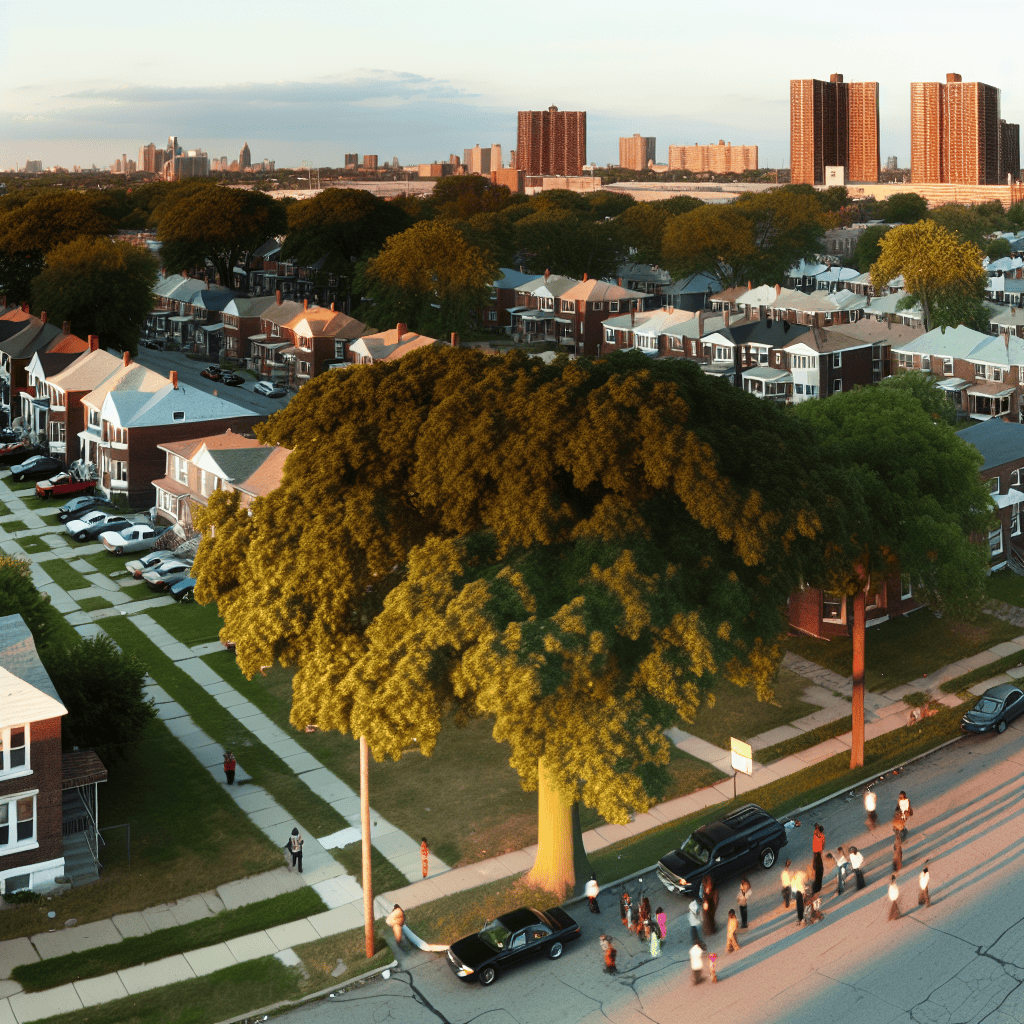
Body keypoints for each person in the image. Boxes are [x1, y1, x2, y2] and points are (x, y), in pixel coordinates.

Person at [812, 824, 825, 894]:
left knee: (819, 872)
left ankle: (816, 887)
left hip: (817, 855)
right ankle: (816, 887)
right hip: (817, 856)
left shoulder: (817, 836)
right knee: (819, 872)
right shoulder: (819, 837)